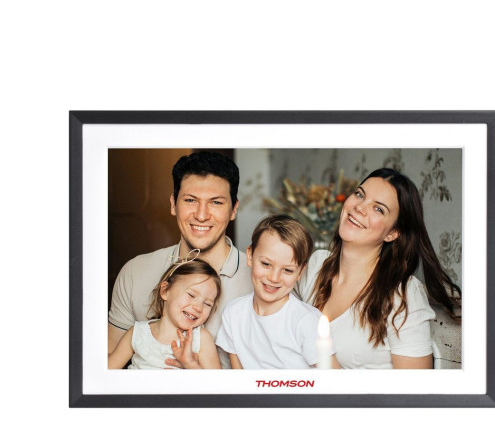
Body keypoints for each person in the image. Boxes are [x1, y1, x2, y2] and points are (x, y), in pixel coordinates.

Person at [296, 168, 461, 369]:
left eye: (378, 209)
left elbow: (414, 387)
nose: (360, 207)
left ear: (392, 233)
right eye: (359, 194)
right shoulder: (315, 265)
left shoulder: (402, 295)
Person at [108, 151, 253, 368]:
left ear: (233, 210)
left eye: (216, 202)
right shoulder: (135, 271)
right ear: (173, 204)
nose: (201, 215)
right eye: (190, 200)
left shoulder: (264, 280)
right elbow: (106, 364)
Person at [215, 215, 335, 369]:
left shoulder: (306, 321)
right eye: (266, 264)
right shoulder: (233, 313)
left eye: (287, 270)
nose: (274, 278)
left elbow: (333, 378)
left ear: (300, 272)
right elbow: (239, 377)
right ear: (250, 256)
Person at [108, 256, 221, 369]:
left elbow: (216, 380)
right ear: (165, 290)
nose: (198, 308)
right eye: (191, 295)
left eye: (208, 304)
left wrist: (190, 364)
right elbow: (107, 371)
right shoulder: (137, 333)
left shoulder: (201, 339)